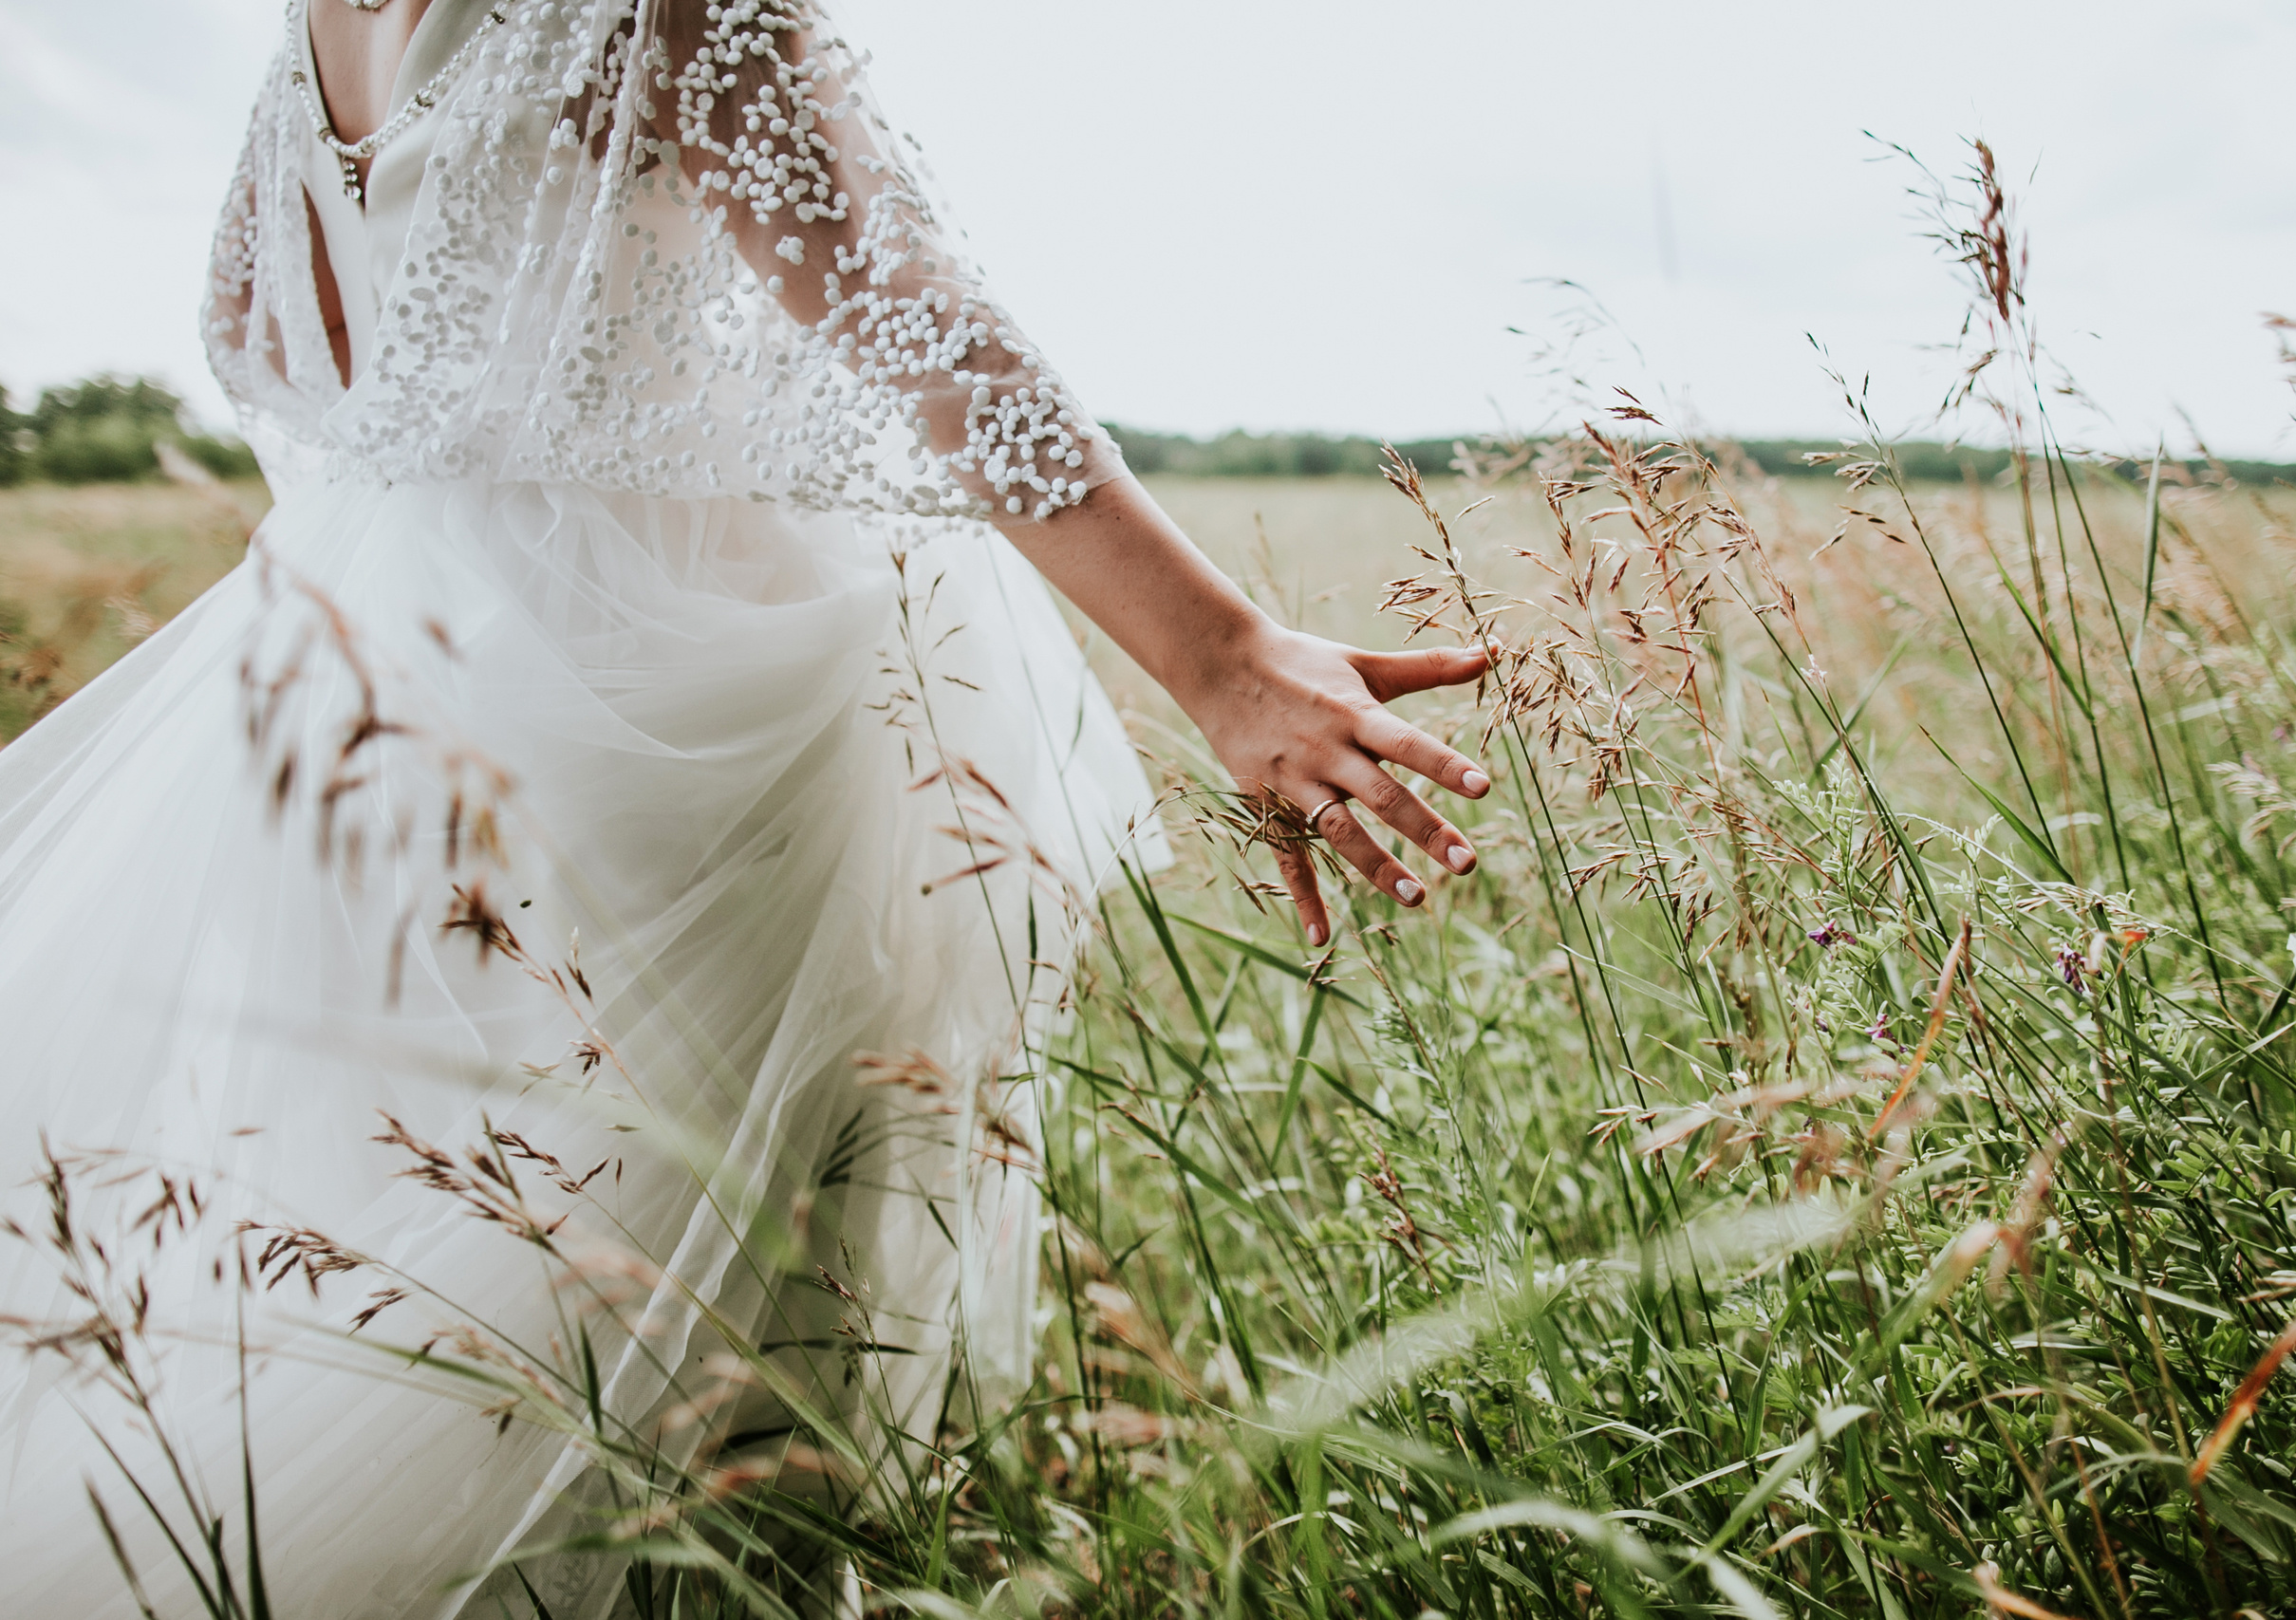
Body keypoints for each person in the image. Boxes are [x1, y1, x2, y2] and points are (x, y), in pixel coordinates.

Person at [0, 1, 1491, 1613]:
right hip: (667, 724)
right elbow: (897, 296)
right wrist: (1220, 655)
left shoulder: (318, 21)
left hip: (369, 700)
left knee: (440, 1294)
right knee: (717, 1385)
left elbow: (272, 324)